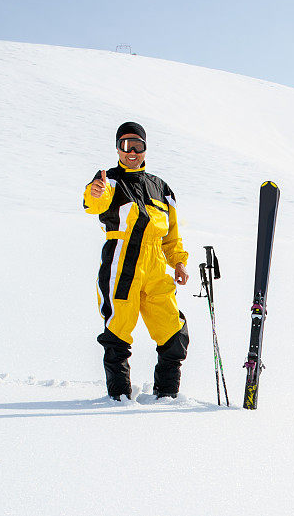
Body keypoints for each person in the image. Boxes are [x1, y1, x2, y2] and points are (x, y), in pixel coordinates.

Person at [83, 121, 190, 400]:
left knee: (173, 331)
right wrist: (94, 193)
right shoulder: (109, 181)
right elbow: (95, 202)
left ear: (145, 148)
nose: (132, 152)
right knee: (118, 330)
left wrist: (177, 262)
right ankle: (118, 398)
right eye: (126, 145)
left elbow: (171, 234)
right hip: (122, 262)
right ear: (118, 148)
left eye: (137, 146)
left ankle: (166, 395)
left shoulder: (161, 188)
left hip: (155, 266)